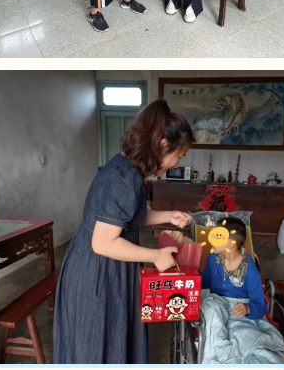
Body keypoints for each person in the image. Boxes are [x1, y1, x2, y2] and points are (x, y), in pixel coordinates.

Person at [53, 100, 195, 364]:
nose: (177, 163)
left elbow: (126, 217)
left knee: (109, 341)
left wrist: (168, 216)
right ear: (163, 144)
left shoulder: (126, 167)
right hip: (98, 271)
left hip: (102, 264)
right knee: (98, 345)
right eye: (180, 155)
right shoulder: (124, 178)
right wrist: (155, 256)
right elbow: (104, 243)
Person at [199, 218, 284, 363]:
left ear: (230, 244)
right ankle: (216, 358)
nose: (210, 239)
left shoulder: (250, 272)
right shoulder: (213, 259)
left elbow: (260, 305)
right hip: (215, 304)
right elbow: (205, 284)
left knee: (244, 338)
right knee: (213, 307)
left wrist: (247, 309)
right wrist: (188, 273)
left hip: (237, 314)